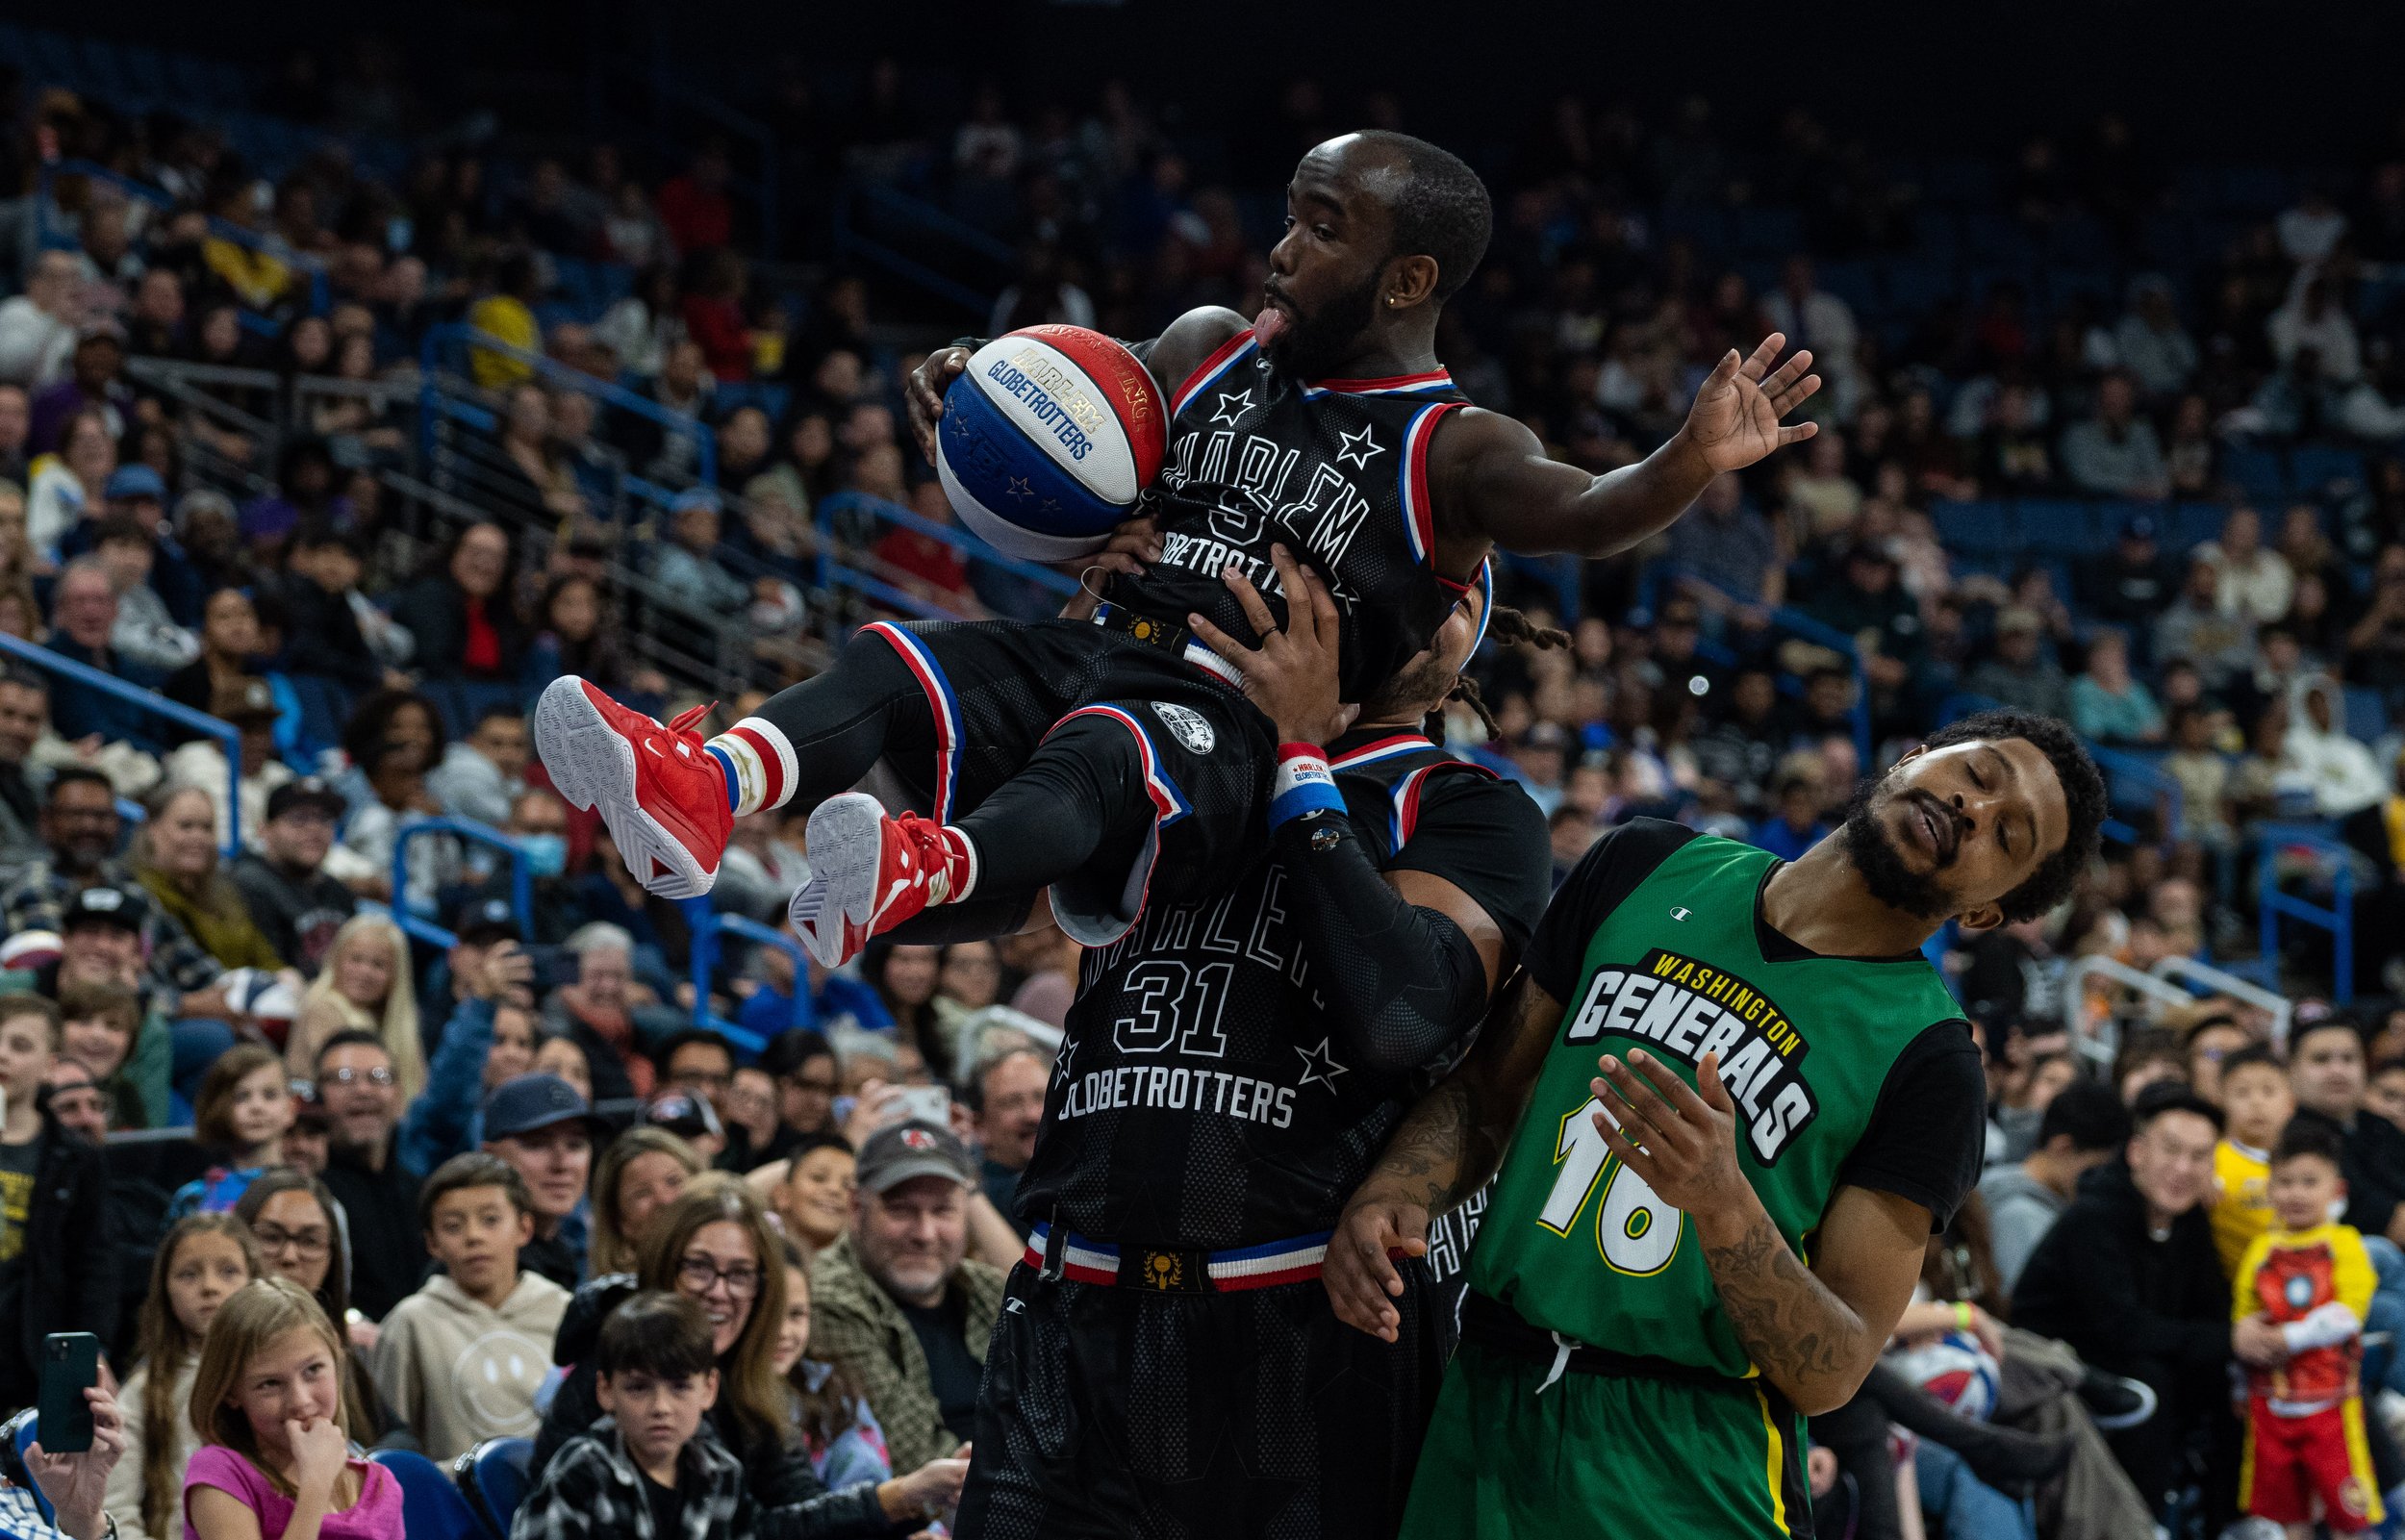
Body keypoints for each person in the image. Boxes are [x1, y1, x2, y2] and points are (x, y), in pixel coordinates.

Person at [540, 131, 1820, 975]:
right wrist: (975, 400)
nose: (1281, 247)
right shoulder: (1211, 340)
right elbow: (1076, 427)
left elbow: (1590, 508)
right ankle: (704, 789)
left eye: (1322, 227)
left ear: (1405, 275)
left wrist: (1689, 461)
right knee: (898, 659)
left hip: (1232, 735)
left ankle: (929, 870)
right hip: (1100, 641)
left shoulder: (1456, 448)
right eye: (1289, 215)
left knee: (1109, 756)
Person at [1322, 706, 2105, 1540]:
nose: (1973, 810)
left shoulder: (1931, 1062)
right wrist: (1395, 1190)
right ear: (1917, 758)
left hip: (1688, 1460)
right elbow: (1486, 1093)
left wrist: (1724, 1202)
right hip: (1485, 1394)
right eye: (1977, 775)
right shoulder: (1642, 862)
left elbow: (1835, 1367)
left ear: (1987, 913)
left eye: (2007, 836)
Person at [945, 558, 1554, 1536]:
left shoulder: (1464, 805)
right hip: (1068, 1310)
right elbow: (944, 897)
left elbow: (1403, 1018)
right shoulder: (1166, 748)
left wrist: (1302, 760)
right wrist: (1080, 669)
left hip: (1293, 1328)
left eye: (1463, 599)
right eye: (1421, 577)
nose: (1441, 611)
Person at [535, 1175, 967, 1527]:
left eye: (740, 1274)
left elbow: (791, 1515)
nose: (720, 1293)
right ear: (664, 1267)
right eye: (700, 1268)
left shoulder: (750, 1382)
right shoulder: (608, 1367)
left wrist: (910, 1499)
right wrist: (896, 1499)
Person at [2013, 1084, 2250, 1525]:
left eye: (2199, 1156)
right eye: (2171, 1151)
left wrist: (2235, 1343)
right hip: (2058, 1364)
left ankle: (2234, 1524)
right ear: (2137, 1152)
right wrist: (2231, 1338)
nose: (2183, 1168)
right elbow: (2121, 1328)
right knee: (2149, 1382)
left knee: (2236, 1381)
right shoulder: (2094, 1217)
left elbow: (2210, 1311)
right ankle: (2141, 1527)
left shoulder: (2190, 1220)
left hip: (2136, 1351)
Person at [808, 1122, 1001, 1480]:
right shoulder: (829, 1300)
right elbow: (914, 1455)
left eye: (942, 1211)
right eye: (901, 1210)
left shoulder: (990, 1290)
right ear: (855, 1207)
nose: (925, 1234)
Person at [2233, 1117, 2383, 1537]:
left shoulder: (2346, 1245)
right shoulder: (2261, 1250)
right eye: (2284, 1182)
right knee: (2285, 1517)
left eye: (2309, 1181)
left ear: (2336, 1190)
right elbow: (2243, 1315)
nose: (2295, 1193)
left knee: (2349, 1514)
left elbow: (2348, 1314)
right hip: (2270, 1405)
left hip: (2330, 1405)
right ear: (2269, 1188)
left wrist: (2288, 1339)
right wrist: (2239, 1375)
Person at [369, 1153, 571, 1463]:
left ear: (524, 1228)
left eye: (491, 1220)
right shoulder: (411, 1323)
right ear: (432, 1243)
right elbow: (391, 1451)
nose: (474, 1236)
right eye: (453, 1226)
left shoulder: (564, 1311)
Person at [509, 1293, 757, 1540]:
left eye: (680, 1387)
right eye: (638, 1388)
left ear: (709, 1389)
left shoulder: (724, 1475)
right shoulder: (582, 1471)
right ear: (606, 1390)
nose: (661, 1407)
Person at [180, 1277, 405, 1540]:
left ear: (335, 1356)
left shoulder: (380, 1485)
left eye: (313, 1370)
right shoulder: (220, 1472)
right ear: (231, 1392)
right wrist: (315, 1486)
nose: (300, 1401)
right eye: (270, 1384)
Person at [107, 1215, 262, 1540]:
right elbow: (115, 1512)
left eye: (228, 1271)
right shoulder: (144, 1390)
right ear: (165, 1288)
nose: (209, 1286)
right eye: (188, 1274)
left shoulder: (278, 1381)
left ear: (255, 1281)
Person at [0, 995, 118, 1412]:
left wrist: (93, 1348)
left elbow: (94, 1261)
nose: (2, 1053)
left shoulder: (75, 1157)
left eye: (20, 1045)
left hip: (31, 1351)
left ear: (50, 1066)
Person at [229, 1172, 400, 1444]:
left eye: (309, 1241)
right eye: (272, 1238)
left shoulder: (336, 1341)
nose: (289, 1257)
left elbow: (398, 1435)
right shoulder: (205, 1347)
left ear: (333, 1257)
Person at [312, 1032, 424, 1322]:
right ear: (317, 1097)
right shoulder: (309, 1196)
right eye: (345, 1078)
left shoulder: (423, 1193)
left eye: (378, 1077)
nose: (363, 1090)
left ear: (399, 1094)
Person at [1978, 1079, 2131, 1293]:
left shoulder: (2036, 1200)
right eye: (2094, 1169)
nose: (2100, 1181)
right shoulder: (2020, 1215)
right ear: (2063, 1147)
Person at [132, 787, 289, 974]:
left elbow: (262, 954)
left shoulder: (226, 891)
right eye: (186, 826)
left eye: (207, 828)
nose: (199, 837)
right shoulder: (140, 894)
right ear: (152, 830)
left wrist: (282, 974)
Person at [479, 1073, 606, 1292]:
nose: (562, 1164)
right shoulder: (476, 1263)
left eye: (575, 1145)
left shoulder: (566, 1252)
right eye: (537, 1144)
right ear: (491, 1156)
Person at [229, 781, 357, 980]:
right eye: (298, 819)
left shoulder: (339, 892)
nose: (314, 829)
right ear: (264, 830)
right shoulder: (248, 884)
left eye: (324, 819)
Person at [288, 916, 423, 1099]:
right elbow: (349, 1088)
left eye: (378, 964)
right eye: (356, 959)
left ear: (396, 975)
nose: (365, 972)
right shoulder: (322, 1009)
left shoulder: (401, 1024)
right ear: (336, 960)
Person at [167, 1046, 293, 1218]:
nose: (257, 1107)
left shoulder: (308, 1196)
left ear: (291, 1109)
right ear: (217, 1107)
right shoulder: (194, 1198)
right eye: (241, 1096)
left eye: (270, 1095)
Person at [2212, 1043, 2298, 1279]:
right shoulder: (2212, 1162)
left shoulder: (2306, 1162)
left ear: (2291, 1102)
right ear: (2221, 1100)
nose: (2256, 1102)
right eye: (2242, 1092)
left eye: (2268, 1091)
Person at [591, 1127, 705, 1277]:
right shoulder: (611, 1297)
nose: (665, 1200)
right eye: (642, 1193)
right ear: (616, 1219)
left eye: (673, 1181)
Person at [962, 1043, 1048, 1215]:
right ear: (979, 1126)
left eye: (1042, 1097)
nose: (1032, 1115)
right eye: (1012, 1102)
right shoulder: (980, 1200)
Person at [426, 705, 529, 831]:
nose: (508, 754)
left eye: (518, 745)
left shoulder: (513, 781)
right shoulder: (464, 771)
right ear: (472, 743)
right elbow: (524, 826)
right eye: (496, 743)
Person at [767, 1135, 854, 1260]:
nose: (834, 1189)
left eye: (847, 1185)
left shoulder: (867, 1268)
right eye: (818, 1178)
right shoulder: (755, 1247)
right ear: (782, 1194)